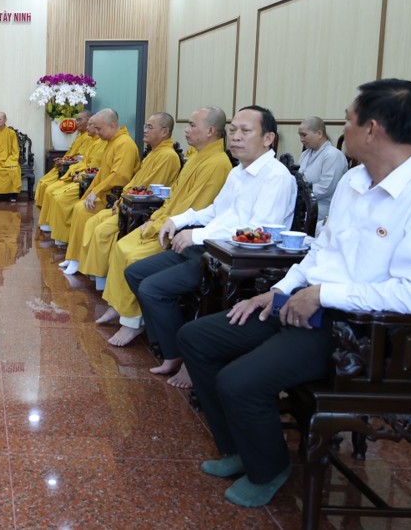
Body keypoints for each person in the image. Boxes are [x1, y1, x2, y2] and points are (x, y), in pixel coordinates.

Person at [177, 78, 411, 508]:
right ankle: (241, 448)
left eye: (348, 119)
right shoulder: (354, 180)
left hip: (361, 332)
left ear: (372, 129)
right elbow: (321, 250)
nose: (343, 127)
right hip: (305, 304)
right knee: (197, 338)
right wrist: (279, 290)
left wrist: (324, 295)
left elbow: (410, 294)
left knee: (239, 381)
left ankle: (269, 469)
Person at [123, 105, 296, 388]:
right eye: (234, 130)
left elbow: (257, 231)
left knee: (153, 289)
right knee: (135, 272)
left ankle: (179, 355)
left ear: (268, 139)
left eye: (245, 131)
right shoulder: (238, 171)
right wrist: (179, 220)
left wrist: (197, 235)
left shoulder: (276, 177)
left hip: (234, 261)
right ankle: (168, 345)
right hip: (208, 250)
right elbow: (216, 210)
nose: (236, 137)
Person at [98, 107, 232, 348]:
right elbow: (174, 198)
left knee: (133, 257)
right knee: (122, 245)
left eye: (192, 125)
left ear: (211, 131)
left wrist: (160, 224)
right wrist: (156, 217)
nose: (186, 130)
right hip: (165, 221)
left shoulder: (218, 164)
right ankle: (118, 306)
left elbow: (195, 208)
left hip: (179, 234)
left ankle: (133, 321)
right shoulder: (197, 158)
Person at [61, 112, 181, 276]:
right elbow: (135, 181)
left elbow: (139, 183)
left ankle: (95, 273)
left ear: (165, 132)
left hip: (137, 206)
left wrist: (119, 198)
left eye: (150, 127)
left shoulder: (165, 156)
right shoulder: (152, 152)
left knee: (97, 225)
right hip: (124, 199)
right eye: (145, 126)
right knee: (88, 216)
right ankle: (77, 259)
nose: (145, 130)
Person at [47, 109, 140, 245]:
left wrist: (95, 192)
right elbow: (102, 173)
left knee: (82, 210)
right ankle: (75, 251)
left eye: (99, 128)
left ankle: (79, 252)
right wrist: (91, 192)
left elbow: (119, 176)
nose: (97, 132)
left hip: (114, 195)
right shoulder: (112, 142)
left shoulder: (124, 144)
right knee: (79, 206)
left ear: (112, 125)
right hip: (103, 192)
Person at [38, 116, 107, 232]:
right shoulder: (90, 139)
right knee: (46, 185)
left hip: (89, 181)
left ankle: (60, 231)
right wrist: (65, 162)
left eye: (94, 126)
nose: (77, 123)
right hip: (77, 173)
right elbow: (83, 160)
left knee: (56, 195)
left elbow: (97, 169)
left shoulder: (110, 143)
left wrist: (78, 174)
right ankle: (49, 222)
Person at [297, 116, 348, 226]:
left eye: (304, 135)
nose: (301, 139)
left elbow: (325, 188)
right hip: (303, 203)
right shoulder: (305, 154)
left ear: (319, 134)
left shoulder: (333, 155)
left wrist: (299, 192)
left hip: (322, 209)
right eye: (300, 135)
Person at [34, 111, 92, 208]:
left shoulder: (88, 137)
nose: (76, 123)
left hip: (73, 170)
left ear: (89, 121)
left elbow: (80, 158)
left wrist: (65, 161)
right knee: (42, 182)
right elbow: (72, 153)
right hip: (66, 166)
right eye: (76, 120)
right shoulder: (80, 135)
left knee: (47, 187)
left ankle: (47, 213)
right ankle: (44, 212)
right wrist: (62, 159)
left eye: (79, 120)